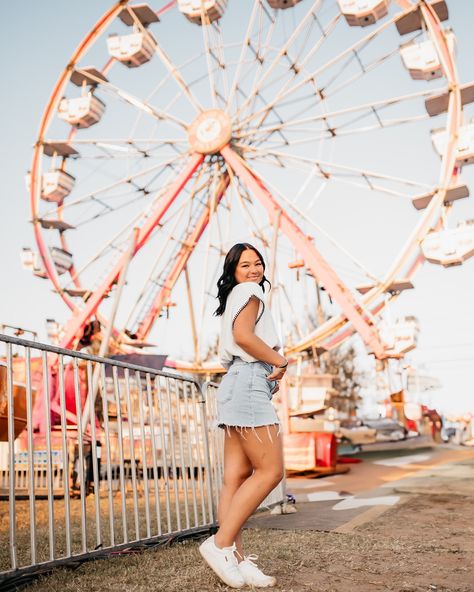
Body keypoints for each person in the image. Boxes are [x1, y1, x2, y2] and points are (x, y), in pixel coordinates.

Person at [199, 243, 288, 588]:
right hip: (249, 380)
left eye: (258, 264)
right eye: (245, 265)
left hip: (236, 382)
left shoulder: (235, 296)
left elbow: (238, 339)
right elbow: (243, 336)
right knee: (270, 471)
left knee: (236, 476)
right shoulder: (251, 292)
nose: (253, 270)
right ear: (234, 272)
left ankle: (235, 557)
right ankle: (220, 545)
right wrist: (279, 362)